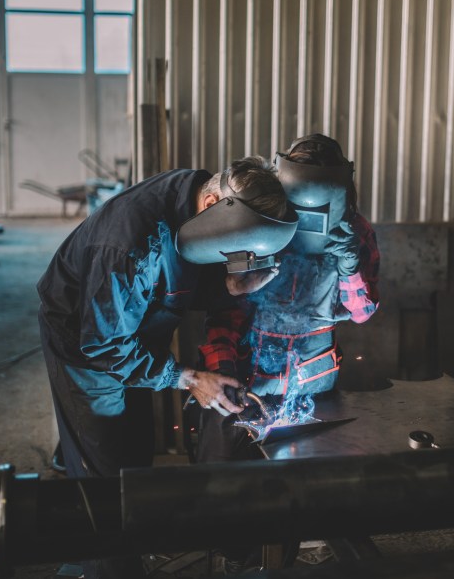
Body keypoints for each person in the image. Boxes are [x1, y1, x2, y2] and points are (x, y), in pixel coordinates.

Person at [37, 156, 297, 579]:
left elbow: (181, 276)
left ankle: (125, 547)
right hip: (87, 345)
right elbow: (104, 346)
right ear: (214, 201)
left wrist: (230, 287)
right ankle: (107, 564)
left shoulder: (199, 202)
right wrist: (187, 378)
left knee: (136, 455)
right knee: (104, 469)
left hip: (138, 330)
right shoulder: (129, 245)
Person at [196, 134, 380, 464]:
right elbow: (224, 307)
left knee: (305, 492)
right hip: (244, 385)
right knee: (221, 485)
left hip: (313, 390)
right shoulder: (259, 219)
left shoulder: (354, 232)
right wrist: (221, 376)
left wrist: (350, 267)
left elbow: (362, 313)